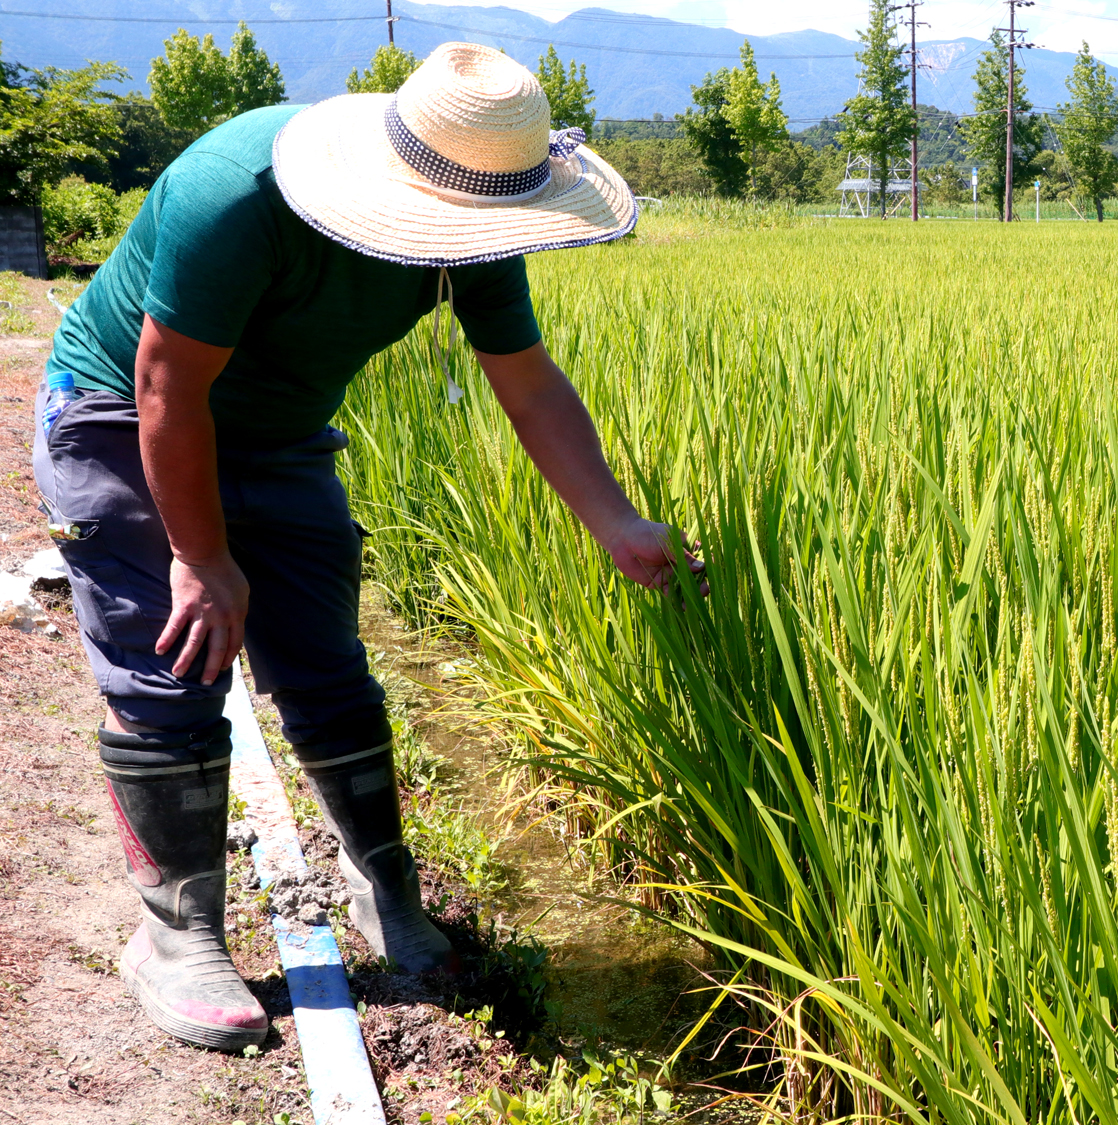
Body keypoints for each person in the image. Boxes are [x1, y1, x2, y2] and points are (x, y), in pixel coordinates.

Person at [32, 42, 703, 1052]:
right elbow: (167, 387)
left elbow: (524, 380)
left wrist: (616, 522)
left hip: (282, 432)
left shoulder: (472, 218)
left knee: (329, 670)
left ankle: (383, 886)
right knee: (175, 663)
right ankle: (176, 935)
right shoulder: (240, 191)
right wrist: (204, 558)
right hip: (127, 419)